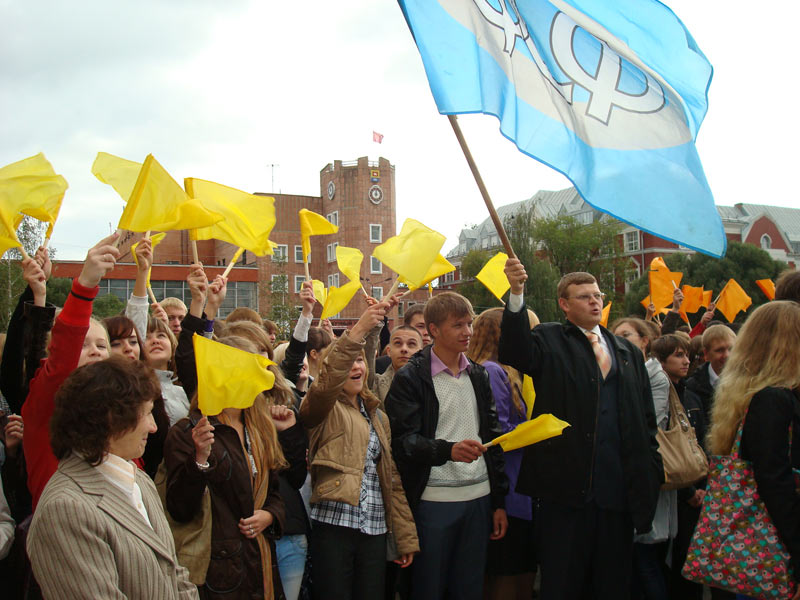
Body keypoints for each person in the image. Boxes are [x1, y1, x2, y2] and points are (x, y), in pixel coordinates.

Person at [498, 260, 663, 600]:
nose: (594, 301)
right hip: (566, 494)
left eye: (597, 295)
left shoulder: (628, 352)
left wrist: (651, 471)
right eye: (584, 296)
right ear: (564, 304)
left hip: (618, 494)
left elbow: (646, 420)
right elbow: (515, 351)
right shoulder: (549, 339)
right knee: (563, 583)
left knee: (613, 584)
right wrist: (516, 294)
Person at [27, 356, 198, 599]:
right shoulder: (66, 508)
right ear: (111, 419)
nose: (153, 427)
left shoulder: (138, 479)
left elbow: (174, 572)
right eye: (147, 414)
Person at [386, 292, 508, 600]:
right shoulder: (412, 377)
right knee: (428, 587)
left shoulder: (478, 375)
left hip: (478, 499)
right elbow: (402, 443)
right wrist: (447, 451)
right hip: (432, 502)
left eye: (469, 323)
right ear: (434, 330)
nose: (467, 332)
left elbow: (493, 438)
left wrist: (498, 503)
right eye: (457, 325)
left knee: (469, 588)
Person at [300, 300, 419, 600]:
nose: (355, 366)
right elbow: (328, 379)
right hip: (335, 525)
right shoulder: (322, 407)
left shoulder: (378, 415)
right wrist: (361, 328)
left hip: (375, 529)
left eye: (360, 361)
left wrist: (404, 539)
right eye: (348, 362)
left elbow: (390, 479)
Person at [707, 301, 800, 600]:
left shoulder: (757, 395)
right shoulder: (772, 400)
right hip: (774, 551)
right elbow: (775, 482)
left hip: (766, 548)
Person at [22, 233, 119, 508]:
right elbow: (63, 357)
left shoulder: (121, 414)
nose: (95, 351)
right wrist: (86, 284)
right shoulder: (47, 404)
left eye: (102, 345)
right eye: (84, 344)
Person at [467, 307, 535, 600]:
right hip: (509, 484)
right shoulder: (493, 371)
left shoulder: (501, 370)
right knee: (508, 571)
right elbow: (500, 433)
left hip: (515, 482)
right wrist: (541, 431)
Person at [371, 325, 423, 406]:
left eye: (411, 344)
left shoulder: (432, 383)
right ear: (389, 351)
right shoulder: (376, 384)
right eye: (398, 343)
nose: (404, 349)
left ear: (421, 352)